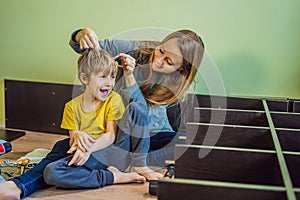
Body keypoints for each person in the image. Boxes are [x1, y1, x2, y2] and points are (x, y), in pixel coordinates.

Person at [0, 49, 145, 199]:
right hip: (85, 152)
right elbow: (73, 138)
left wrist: (87, 149)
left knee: (53, 172)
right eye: (103, 77)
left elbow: (110, 136)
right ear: (84, 78)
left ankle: (113, 176)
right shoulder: (71, 107)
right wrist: (76, 135)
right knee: (59, 149)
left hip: (107, 151)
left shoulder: (113, 100)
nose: (109, 83)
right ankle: (17, 186)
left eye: (113, 77)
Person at [69, 27, 205, 181]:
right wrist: (81, 34)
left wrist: (130, 79)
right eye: (161, 51)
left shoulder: (177, 84)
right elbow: (90, 49)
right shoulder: (136, 50)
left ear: (181, 68)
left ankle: (134, 161)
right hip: (124, 131)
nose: (159, 60)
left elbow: (146, 119)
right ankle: (135, 162)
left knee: (192, 142)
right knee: (135, 113)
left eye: (169, 62)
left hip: (150, 135)